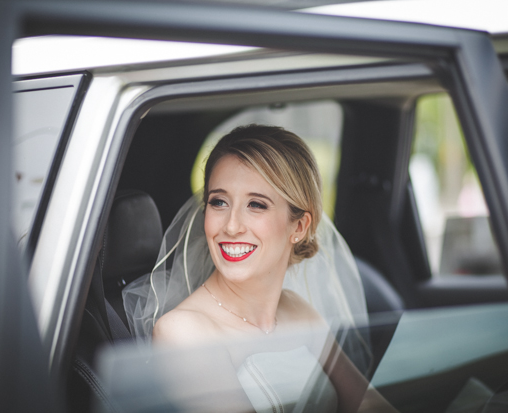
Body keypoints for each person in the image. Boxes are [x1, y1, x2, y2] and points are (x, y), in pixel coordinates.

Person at [123, 124, 397, 413]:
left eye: (256, 205)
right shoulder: (184, 332)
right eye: (219, 202)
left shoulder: (297, 309)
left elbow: (367, 401)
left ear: (299, 226)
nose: (231, 225)